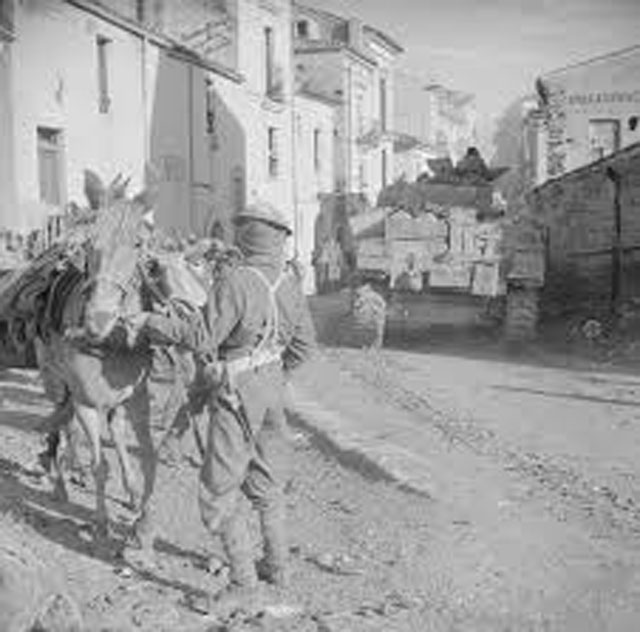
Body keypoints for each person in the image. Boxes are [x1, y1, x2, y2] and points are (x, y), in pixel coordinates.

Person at [130, 201, 316, 614]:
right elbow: (305, 346)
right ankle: (278, 566)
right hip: (271, 390)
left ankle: (243, 585)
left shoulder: (235, 280)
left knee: (218, 488)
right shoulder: (289, 282)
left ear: (246, 237)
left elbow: (200, 336)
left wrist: (152, 323)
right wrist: (272, 374)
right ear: (277, 240)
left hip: (237, 391)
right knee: (266, 480)